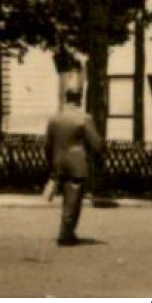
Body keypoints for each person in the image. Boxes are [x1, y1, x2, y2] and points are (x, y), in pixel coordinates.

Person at [45, 87, 103, 246]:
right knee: (73, 200)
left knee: (66, 199)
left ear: (66, 98)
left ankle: (68, 231)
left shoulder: (54, 118)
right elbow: (96, 144)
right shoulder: (84, 118)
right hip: (77, 164)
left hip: (58, 163)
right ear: (80, 99)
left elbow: (48, 145)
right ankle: (65, 234)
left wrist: (51, 164)